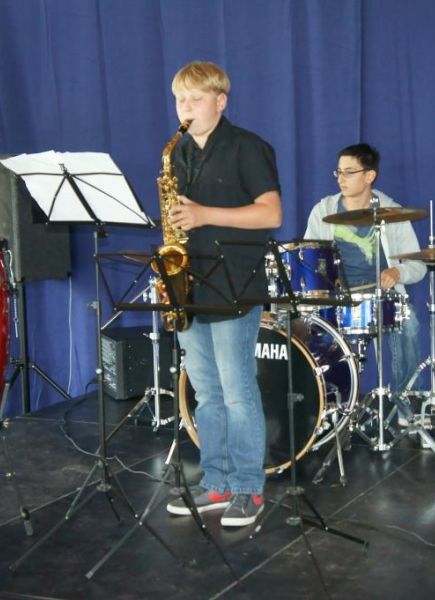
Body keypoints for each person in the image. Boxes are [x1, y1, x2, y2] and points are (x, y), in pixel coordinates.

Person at [164, 61, 281, 527]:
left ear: (221, 101)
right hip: (190, 286)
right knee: (207, 395)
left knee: (236, 393)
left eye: (195, 99)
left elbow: (271, 214)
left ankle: (249, 488)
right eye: (180, 100)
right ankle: (216, 481)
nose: (186, 108)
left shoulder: (247, 147)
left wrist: (204, 214)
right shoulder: (177, 154)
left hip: (234, 284)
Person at [304, 143, 426, 422]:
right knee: (314, 334)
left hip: (383, 297)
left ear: (370, 176)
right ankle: (334, 408)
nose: (341, 178)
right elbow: (309, 259)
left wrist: (397, 273)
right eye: (338, 172)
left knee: (410, 325)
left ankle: (405, 405)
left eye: (349, 172)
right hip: (340, 299)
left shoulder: (392, 213)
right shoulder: (323, 210)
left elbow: (418, 265)